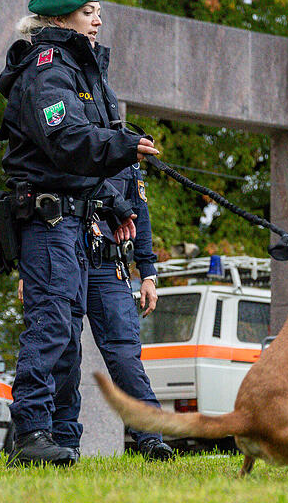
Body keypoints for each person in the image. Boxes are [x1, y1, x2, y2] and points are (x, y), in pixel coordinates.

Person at [0, 0, 159, 466]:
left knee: (67, 330)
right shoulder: (48, 68)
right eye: (89, 10)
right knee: (52, 328)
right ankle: (32, 435)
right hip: (48, 219)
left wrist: (118, 204)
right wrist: (123, 145)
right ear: (60, 17)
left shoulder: (85, 71)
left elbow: (96, 163)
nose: (98, 19)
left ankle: (60, 439)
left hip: (77, 221)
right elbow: (65, 139)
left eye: (98, 10)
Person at [85, 162, 174, 461]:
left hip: (110, 267)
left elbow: (140, 215)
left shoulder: (123, 154)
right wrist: (25, 271)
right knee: (60, 350)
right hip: (63, 259)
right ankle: (54, 439)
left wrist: (147, 273)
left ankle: (150, 438)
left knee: (124, 355)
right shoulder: (60, 133)